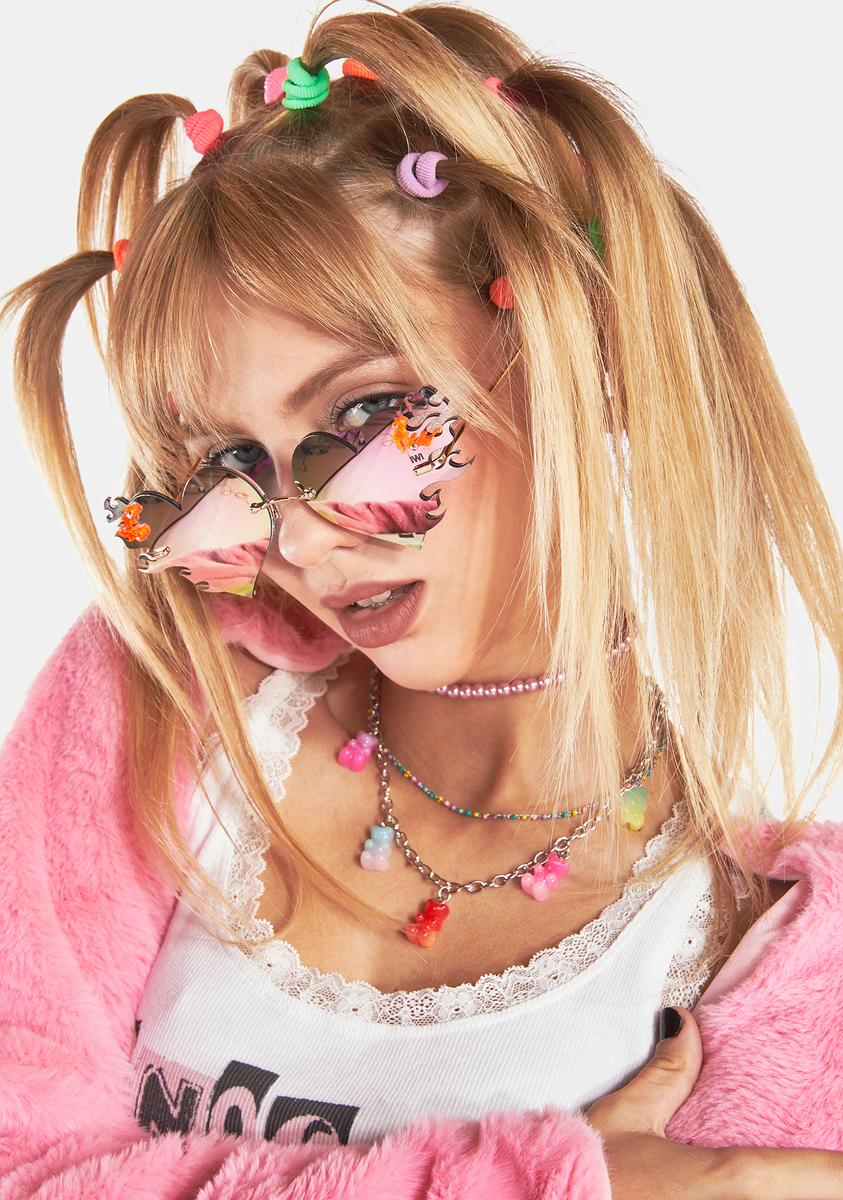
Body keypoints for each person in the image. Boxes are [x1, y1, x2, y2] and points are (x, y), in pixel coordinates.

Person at [1, 3, 841, 1197]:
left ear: (576, 346)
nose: (294, 539)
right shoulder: (171, 702)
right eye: (231, 466)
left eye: (359, 417)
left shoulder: (768, 962)